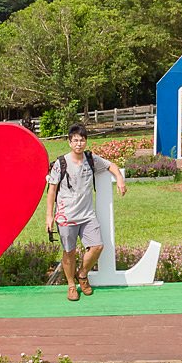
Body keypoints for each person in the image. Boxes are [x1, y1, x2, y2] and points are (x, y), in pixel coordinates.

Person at [46, 123, 127, 302]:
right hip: (66, 217)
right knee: (69, 252)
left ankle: (82, 274)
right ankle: (70, 285)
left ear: (86, 141)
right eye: (75, 140)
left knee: (97, 246)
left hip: (87, 215)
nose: (79, 144)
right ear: (69, 142)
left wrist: (120, 179)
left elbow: (111, 165)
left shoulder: (91, 159)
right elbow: (52, 190)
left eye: (82, 140)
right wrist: (49, 216)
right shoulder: (61, 163)